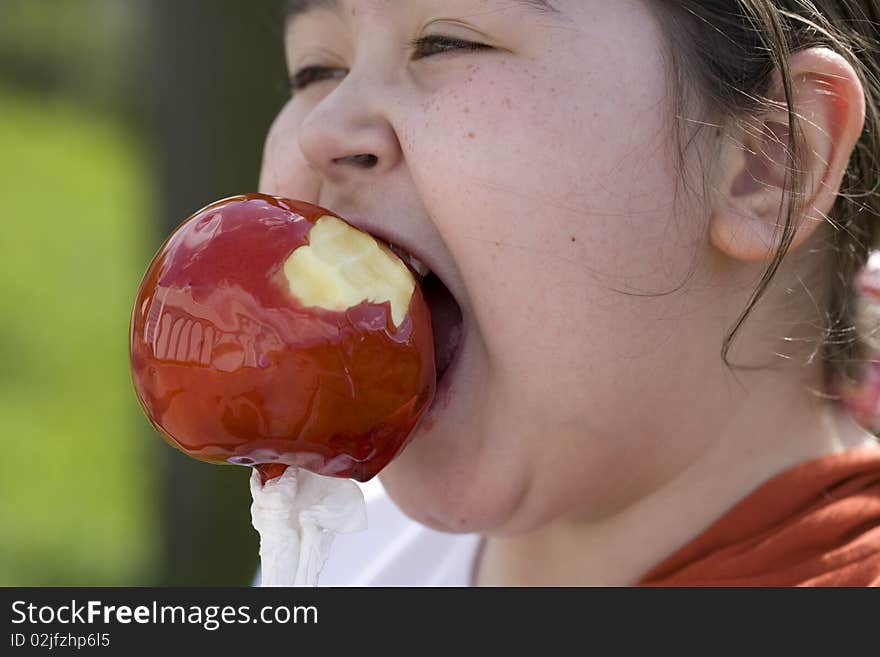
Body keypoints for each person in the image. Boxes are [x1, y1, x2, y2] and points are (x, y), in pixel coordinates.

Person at [257, 0, 880, 586]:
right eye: (317, 68)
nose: (322, 129)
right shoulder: (328, 558)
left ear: (769, 159)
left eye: (446, 42)